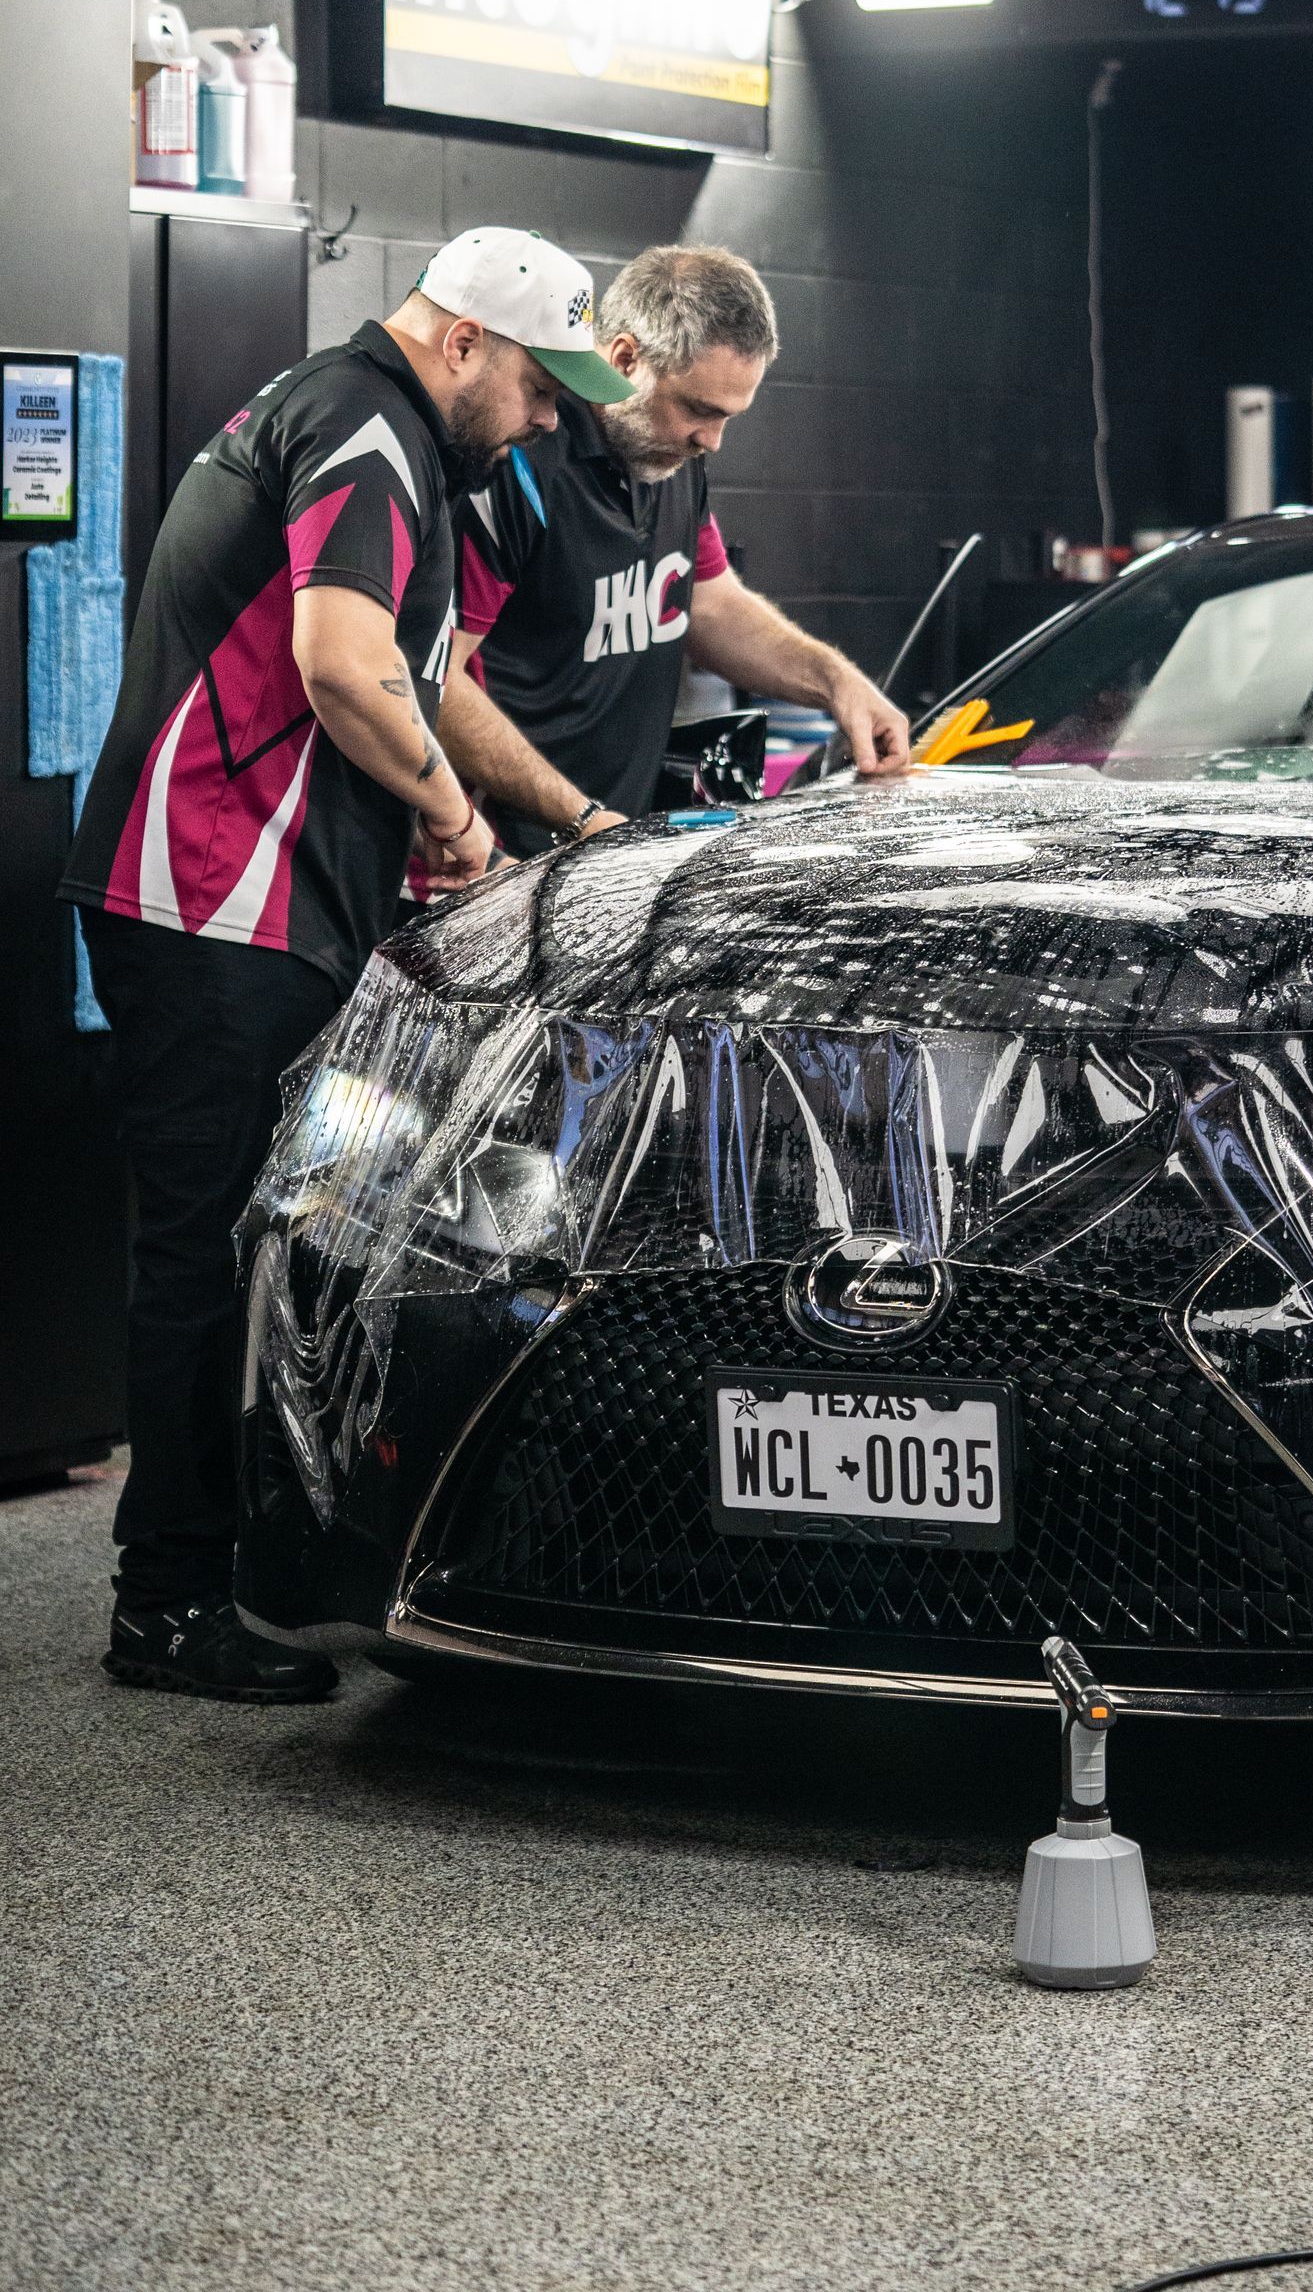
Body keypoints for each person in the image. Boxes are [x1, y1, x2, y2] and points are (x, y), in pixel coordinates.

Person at [59, 227, 621, 1701]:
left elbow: (413, 677)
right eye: (539, 386)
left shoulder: (385, 434)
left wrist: (523, 809)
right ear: (461, 341)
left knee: (261, 1241)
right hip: (212, 893)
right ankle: (165, 1602)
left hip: (266, 901)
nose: (547, 419)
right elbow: (341, 662)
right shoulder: (367, 421)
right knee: (203, 1252)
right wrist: (453, 816)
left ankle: (234, 1558)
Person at [436, 243, 912, 852]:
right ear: (625, 358)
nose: (712, 440)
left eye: (728, 417)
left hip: (609, 839)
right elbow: (434, 679)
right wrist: (580, 817)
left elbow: (710, 606)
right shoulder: (521, 463)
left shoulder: (669, 457)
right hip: (501, 856)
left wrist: (837, 683)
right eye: (698, 409)